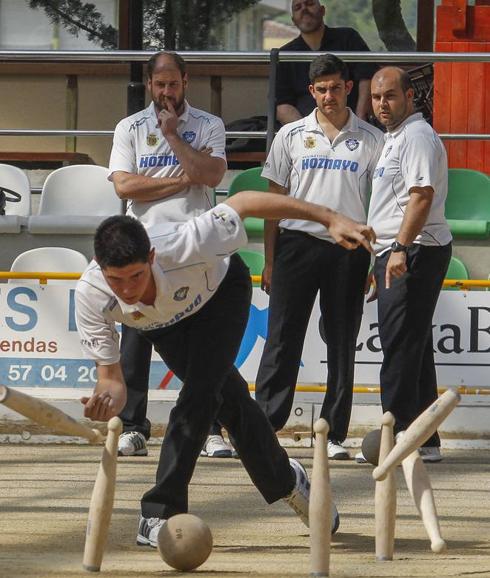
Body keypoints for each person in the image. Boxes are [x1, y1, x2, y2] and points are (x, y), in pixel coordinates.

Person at [75, 191, 376, 545]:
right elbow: (111, 381)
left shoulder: (188, 242)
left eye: (136, 276)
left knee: (199, 395)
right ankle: (286, 478)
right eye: (116, 280)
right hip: (163, 326)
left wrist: (329, 218)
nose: (127, 290)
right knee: (229, 400)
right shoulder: (90, 294)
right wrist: (106, 401)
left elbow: (246, 202)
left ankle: (158, 511)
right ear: (99, 265)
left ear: (152, 257)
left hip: (221, 296)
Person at [255, 54, 383, 460]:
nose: (329, 95)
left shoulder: (372, 139)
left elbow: (379, 206)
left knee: (342, 340)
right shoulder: (290, 136)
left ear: (349, 87)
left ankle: (334, 433)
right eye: (321, 89)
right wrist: (271, 261)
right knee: (281, 338)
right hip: (296, 244)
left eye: (336, 87)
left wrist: (375, 258)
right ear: (311, 91)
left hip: (349, 249)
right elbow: (273, 204)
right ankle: (265, 425)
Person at [108, 50, 232, 458]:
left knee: (203, 341)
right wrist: (182, 180)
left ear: (185, 81)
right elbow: (125, 187)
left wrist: (175, 136)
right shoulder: (129, 127)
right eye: (159, 85)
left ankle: (211, 426)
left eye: (173, 84)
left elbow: (211, 175)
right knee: (138, 333)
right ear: (149, 84)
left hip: (195, 244)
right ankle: (133, 425)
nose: (166, 92)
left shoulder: (208, 124)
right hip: (142, 245)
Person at [366, 66, 452, 463]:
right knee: (413, 344)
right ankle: (425, 439)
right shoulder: (393, 137)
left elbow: (421, 196)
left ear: (409, 98)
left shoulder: (416, 135)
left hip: (415, 248)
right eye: (377, 97)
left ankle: (397, 431)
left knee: (399, 343)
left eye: (390, 96)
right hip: (400, 249)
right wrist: (380, 253)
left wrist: (398, 248)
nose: (382, 104)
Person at [276, 0, 377, 125]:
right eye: (298, 7)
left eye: (309, 4)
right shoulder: (285, 55)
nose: (304, 9)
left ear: (323, 10)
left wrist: (359, 121)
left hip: (351, 127)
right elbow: (282, 105)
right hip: (307, 134)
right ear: (293, 20)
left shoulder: (348, 38)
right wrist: (306, 133)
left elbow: (367, 77)